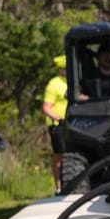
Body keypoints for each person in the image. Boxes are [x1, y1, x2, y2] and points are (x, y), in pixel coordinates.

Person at [41, 54, 69, 192]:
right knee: (60, 155)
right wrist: (58, 118)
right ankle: (58, 186)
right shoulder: (54, 84)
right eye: (64, 68)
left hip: (71, 124)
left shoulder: (72, 82)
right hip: (57, 125)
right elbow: (46, 107)